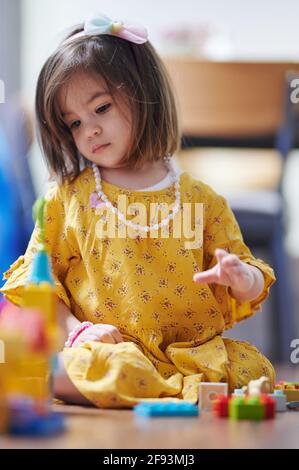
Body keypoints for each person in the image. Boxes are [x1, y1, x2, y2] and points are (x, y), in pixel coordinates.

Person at [0, 14, 276, 408]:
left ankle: (156, 388)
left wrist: (240, 276)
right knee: (94, 366)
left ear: (145, 94)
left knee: (255, 369)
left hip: (191, 352)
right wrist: (77, 332)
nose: (89, 130)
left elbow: (250, 283)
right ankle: (159, 389)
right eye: (74, 122)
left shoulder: (200, 199)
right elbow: (42, 283)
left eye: (102, 108)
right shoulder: (70, 199)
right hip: (111, 351)